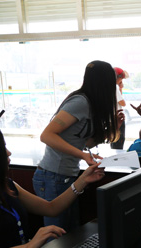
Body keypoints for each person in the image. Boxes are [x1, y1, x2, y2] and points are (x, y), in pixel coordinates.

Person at [34, 60, 122, 230]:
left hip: (67, 176)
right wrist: (83, 155)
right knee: (57, 236)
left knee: (69, 234)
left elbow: (84, 142)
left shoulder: (90, 104)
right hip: (53, 176)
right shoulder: (80, 102)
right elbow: (46, 135)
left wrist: (114, 128)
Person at [0, 129, 105, 248]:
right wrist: (28, 247)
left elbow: (51, 208)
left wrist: (83, 180)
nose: (8, 153)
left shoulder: (7, 185)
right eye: (2, 148)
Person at [111, 67, 129, 149]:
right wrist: (120, 88)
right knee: (119, 141)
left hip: (113, 117)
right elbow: (122, 103)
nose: (121, 81)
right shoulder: (114, 87)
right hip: (118, 117)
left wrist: (120, 88)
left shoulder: (109, 87)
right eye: (121, 79)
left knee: (114, 140)